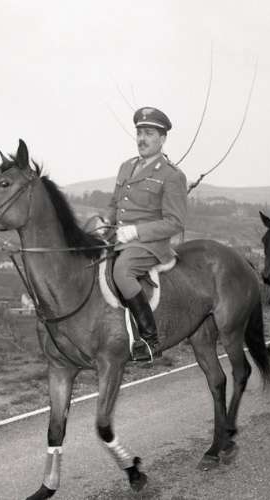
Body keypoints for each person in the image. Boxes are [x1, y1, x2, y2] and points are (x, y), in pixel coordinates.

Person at [107, 107, 188, 359]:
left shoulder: (172, 175)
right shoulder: (126, 167)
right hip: (119, 238)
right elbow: (114, 205)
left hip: (149, 244)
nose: (142, 139)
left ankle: (149, 339)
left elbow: (175, 222)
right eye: (140, 133)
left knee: (122, 271)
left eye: (149, 134)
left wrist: (135, 231)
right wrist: (105, 224)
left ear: (162, 139)